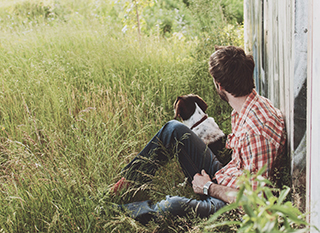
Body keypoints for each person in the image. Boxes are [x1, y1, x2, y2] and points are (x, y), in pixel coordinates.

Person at [111, 45, 287, 223]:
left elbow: (254, 202)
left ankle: (115, 213)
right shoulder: (249, 106)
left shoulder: (255, 131)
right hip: (229, 179)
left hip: (232, 205)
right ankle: (125, 184)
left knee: (172, 206)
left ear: (219, 86)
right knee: (174, 129)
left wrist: (208, 187)